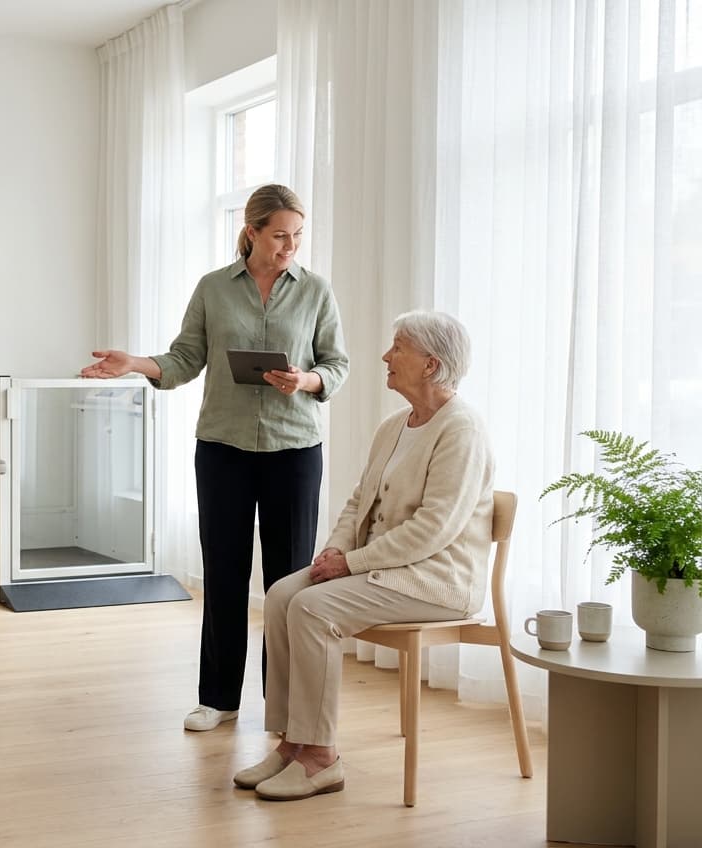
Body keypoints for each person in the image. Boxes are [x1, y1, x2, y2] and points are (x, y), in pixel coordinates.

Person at [81, 184, 349, 732]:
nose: (289, 246)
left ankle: (287, 708)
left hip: (295, 451)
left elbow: (337, 365)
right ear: (252, 232)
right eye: (279, 235)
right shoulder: (213, 288)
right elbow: (184, 361)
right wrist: (136, 363)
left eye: (297, 236)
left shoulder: (316, 291)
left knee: (289, 582)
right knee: (225, 574)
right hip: (223, 450)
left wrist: (307, 380)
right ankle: (219, 698)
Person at [231, 310, 493, 801]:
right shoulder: (396, 425)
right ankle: (292, 742)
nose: (386, 356)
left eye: (399, 347)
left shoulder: (462, 430)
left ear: (431, 364)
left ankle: (320, 757)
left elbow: (433, 530)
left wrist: (350, 564)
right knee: (284, 593)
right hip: (387, 570)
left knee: (313, 608)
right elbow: (359, 501)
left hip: (437, 582)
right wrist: (335, 548)